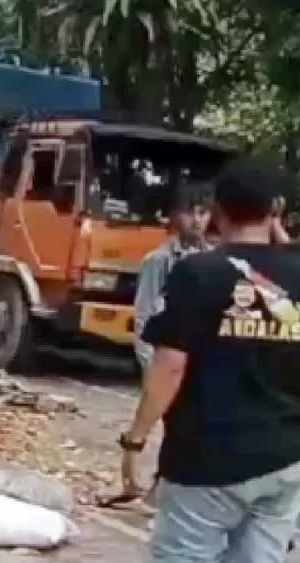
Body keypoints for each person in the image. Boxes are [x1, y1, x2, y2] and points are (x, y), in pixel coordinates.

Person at [119, 157, 300, 563]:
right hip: (285, 461)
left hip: (207, 461)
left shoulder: (199, 272)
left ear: (217, 211)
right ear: (276, 210)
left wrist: (135, 441)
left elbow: (169, 366)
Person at [133, 183, 214, 376]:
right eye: (189, 213)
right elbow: (144, 312)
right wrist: (150, 364)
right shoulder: (158, 260)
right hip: (167, 360)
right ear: (175, 215)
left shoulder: (216, 259)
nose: (197, 220)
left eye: (202, 213)